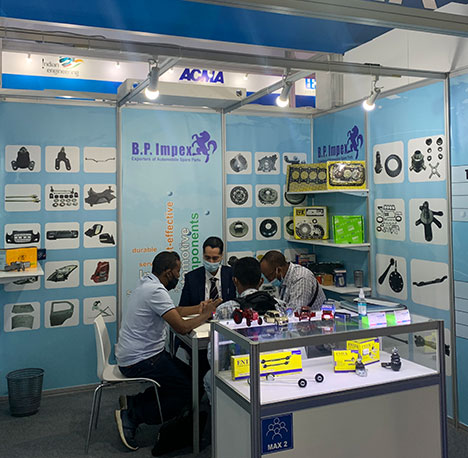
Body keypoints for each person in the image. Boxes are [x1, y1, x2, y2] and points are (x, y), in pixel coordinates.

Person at [114, 251, 216, 454]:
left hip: (140, 355)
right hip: (141, 360)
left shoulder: (148, 284)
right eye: (177, 271)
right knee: (189, 391)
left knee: (193, 380)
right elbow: (182, 327)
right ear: (168, 273)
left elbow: (174, 311)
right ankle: (133, 415)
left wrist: (199, 308)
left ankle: (136, 402)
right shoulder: (155, 291)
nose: (179, 276)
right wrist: (205, 315)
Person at [204, 256, 283, 402]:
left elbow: (216, 356)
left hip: (240, 371)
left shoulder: (225, 309)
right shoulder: (279, 306)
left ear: (235, 281)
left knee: (208, 378)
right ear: (261, 281)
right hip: (277, 367)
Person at [179, 236, 236, 307]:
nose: (211, 261)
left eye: (215, 258)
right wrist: (199, 308)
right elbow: (182, 308)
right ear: (203, 255)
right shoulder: (191, 278)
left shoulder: (232, 274)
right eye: (207, 257)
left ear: (221, 256)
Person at [260, 250, 326, 311]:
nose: (269, 281)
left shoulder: (301, 278)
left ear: (279, 270)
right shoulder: (285, 278)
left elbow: (295, 312)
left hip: (315, 319)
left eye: (269, 276)